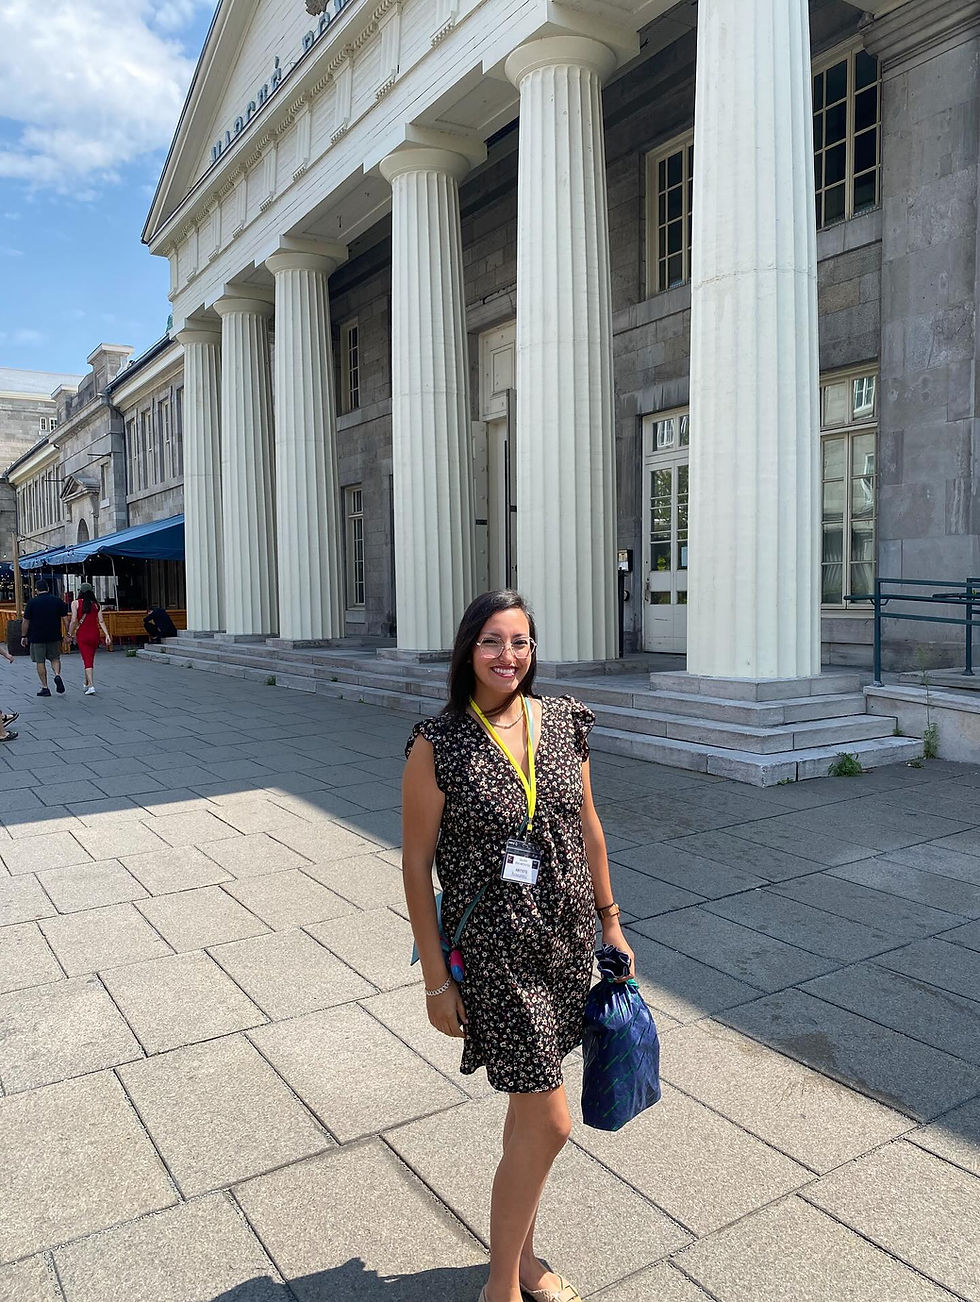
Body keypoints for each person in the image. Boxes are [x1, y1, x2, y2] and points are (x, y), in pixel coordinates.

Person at [402, 590, 634, 1302]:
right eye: (493, 642)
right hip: (495, 959)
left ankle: (524, 1257)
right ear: (468, 649)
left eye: (521, 643)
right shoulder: (437, 744)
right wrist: (436, 981)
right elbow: (415, 865)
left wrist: (611, 922)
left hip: (562, 944)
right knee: (554, 1121)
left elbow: (588, 826)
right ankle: (501, 1286)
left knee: (529, 1116)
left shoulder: (564, 722)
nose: (509, 656)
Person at [21, 582, 71, 697]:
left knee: (40, 661)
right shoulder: (57, 601)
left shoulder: (32, 602)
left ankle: (45, 687)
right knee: (55, 658)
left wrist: (24, 636)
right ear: (48, 588)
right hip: (54, 635)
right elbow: (65, 619)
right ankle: (57, 674)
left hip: (37, 636)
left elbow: (26, 621)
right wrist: (68, 633)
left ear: (36, 590)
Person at [67, 583, 112, 695]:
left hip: (82, 634)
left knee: (87, 659)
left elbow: (73, 620)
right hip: (94, 634)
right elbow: (101, 621)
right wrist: (107, 635)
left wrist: (69, 633)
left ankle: (91, 685)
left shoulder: (75, 603)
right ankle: (86, 682)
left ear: (80, 591)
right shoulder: (96, 605)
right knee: (89, 658)